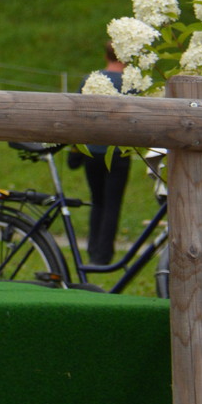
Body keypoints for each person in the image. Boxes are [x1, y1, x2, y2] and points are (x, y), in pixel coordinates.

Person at [70, 46, 131, 264]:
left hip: (92, 150)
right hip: (119, 152)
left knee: (97, 201)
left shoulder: (91, 79)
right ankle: (104, 255)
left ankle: (93, 249)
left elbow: (77, 112)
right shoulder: (130, 83)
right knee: (112, 204)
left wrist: (75, 149)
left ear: (105, 55)